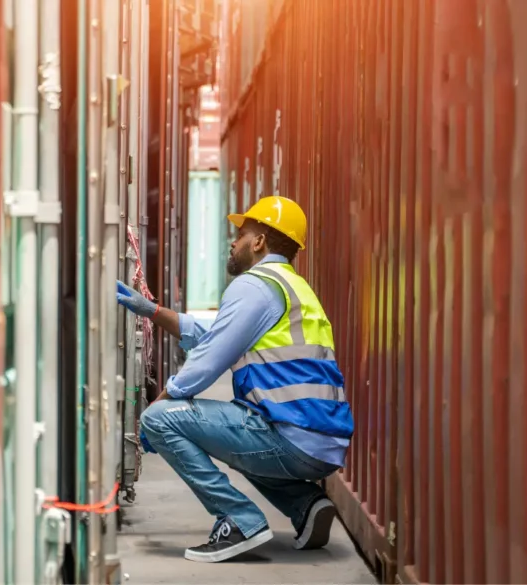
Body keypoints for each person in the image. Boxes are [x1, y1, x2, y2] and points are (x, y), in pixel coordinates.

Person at [115, 195, 355, 563]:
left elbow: (207, 359)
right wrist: (152, 310)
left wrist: (160, 404)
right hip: (322, 445)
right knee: (236, 430)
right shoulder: (292, 287)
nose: (233, 241)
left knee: (162, 419)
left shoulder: (254, 286)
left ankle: (240, 521)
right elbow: (214, 332)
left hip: (289, 438)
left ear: (259, 242)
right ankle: (305, 504)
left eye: (241, 234)